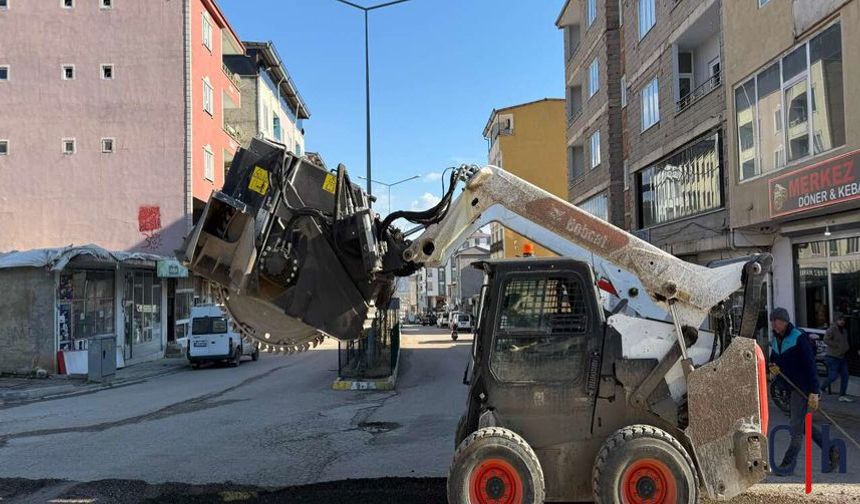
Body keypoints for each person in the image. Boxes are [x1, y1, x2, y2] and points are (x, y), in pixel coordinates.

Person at [768, 307, 838, 474]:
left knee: (796, 428)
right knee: (803, 425)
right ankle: (832, 450)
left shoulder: (798, 337)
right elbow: (774, 359)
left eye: (774, 321)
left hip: (803, 389)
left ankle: (787, 465)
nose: (772, 325)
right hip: (791, 390)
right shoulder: (777, 338)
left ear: (782, 321)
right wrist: (773, 368)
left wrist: (815, 391)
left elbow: (810, 366)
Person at [821, 315, 854, 403]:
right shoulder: (832, 329)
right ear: (836, 320)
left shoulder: (844, 330)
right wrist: (836, 346)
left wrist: (846, 347)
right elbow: (825, 339)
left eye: (843, 320)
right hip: (832, 357)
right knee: (833, 376)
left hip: (842, 356)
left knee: (845, 376)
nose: (842, 321)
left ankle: (842, 395)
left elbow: (845, 341)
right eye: (840, 320)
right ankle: (821, 388)